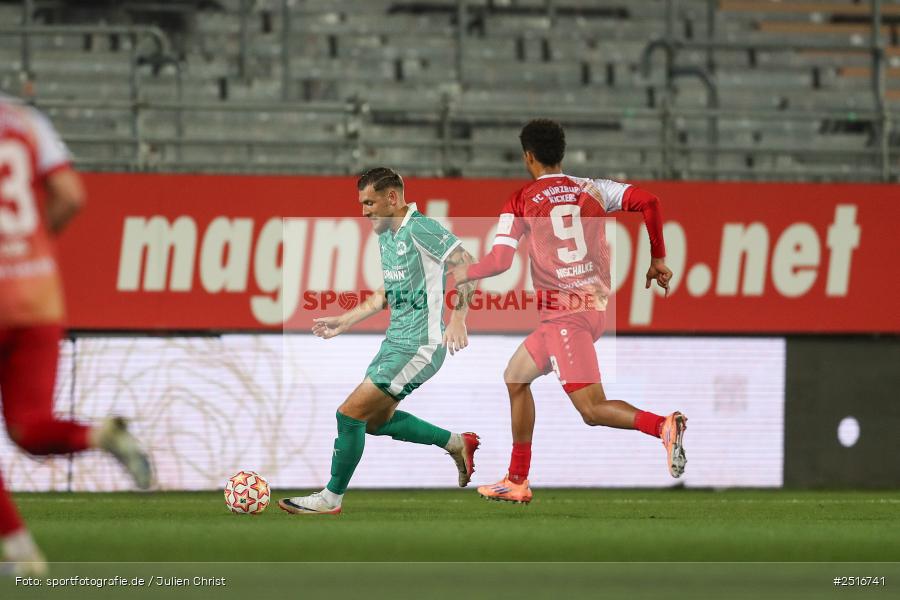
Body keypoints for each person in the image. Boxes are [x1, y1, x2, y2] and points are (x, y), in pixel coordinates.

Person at [450, 119, 687, 504]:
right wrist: (658, 257)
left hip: (565, 316)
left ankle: (662, 425)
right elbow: (650, 202)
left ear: (528, 156)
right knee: (515, 377)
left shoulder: (521, 200)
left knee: (592, 410)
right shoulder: (594, 189)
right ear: (561, 153)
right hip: (591, 310)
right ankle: (516, 480)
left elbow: (499, 261)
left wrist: (462, 271)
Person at [0, 94, 152, 575]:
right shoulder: (23, 118)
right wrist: (29, 248)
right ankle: (98, 434)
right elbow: (71, 195)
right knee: (28, 427)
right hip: (38, 294)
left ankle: (23, 554)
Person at [279, 167, 480, 516]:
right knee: (373, 422)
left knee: (349, 414)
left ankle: (331, 498)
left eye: (369, 202)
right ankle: (457, 443)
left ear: (392, 198)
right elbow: (387, 293)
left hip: (420, 346)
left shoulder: (420, 228)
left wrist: (459, 317)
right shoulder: (388, 234)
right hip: (394, 344)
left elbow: (466, 263)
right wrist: (344, 320)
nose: (364, 211)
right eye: (361, 203)